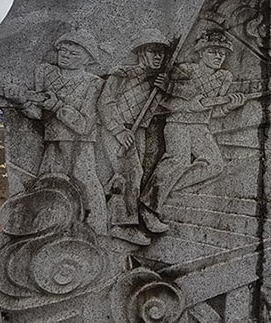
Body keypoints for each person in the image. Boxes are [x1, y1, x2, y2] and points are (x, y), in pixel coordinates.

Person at [139, 29, 245, 232]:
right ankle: (148, 207)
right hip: (178, 123)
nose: (218, 56)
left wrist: (229, 106)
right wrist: (184, 97)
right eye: (213, 51)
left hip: (201, 126)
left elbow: (214, 111)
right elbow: (166, 103)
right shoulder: (185, 70)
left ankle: (165, 191)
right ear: (201, 52)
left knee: (215, 164)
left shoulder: (225, 77)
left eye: (222, 53)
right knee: (177, 160)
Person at [5, 29, 107, 236]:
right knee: (47, 186)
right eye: (63, 51)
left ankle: (99, 231)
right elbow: (37, 116)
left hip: (81, 145)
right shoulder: (46, 74)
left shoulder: (94, 83)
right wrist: (21, 102)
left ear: (88, 58)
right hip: (52, 143)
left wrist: (58, 106)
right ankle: (49, 232)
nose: (66, 56)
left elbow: (85, 124)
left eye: (74, 53)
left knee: (87, 183)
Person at [98, 28, 171, 245]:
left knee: (133, 175)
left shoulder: (155, 81)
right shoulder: (121, 74)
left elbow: (157, 110)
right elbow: (106, 103)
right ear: (141, 53)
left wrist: (166, 90)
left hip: (138, 130)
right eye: (152, 51)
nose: (158, 56)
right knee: (131, 173)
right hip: (118, 129)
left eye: (161, 53)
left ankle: (124, 216)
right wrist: (118, 130)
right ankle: (123, 225)